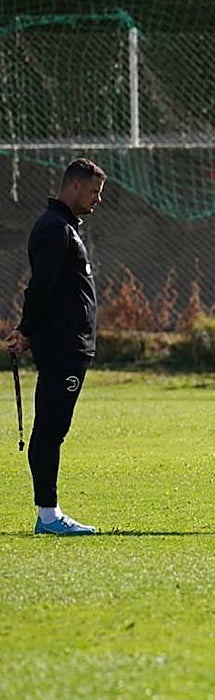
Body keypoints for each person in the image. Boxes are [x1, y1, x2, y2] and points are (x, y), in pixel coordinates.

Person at [3, 158, 106, 536]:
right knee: (50, 429)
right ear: (75, 186)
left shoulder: (63, 227)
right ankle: (48, 515)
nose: (97, 200)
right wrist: (26, 329)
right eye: (94, 192)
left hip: (70, 345)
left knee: (52, 427)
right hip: (63, 346)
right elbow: (41, 287)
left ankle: (49, 513)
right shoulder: (54, 228)